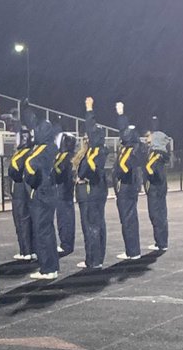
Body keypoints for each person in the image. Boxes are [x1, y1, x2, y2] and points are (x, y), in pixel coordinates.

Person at [24, 115, 60, 280]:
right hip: (49, 191)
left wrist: (30, 182)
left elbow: (31, 167)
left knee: (42, 231)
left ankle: (47, 268)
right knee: (48, 231)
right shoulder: (51, 146)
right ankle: (52, 266)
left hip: (41, 192)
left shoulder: (42, 149)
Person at [76, 97, 109, 270]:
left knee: (91, 226)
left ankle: (93, 260)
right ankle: (98, 258)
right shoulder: (100, 150)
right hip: (99, 191)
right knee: (98, 225)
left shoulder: (95, 151)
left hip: (91, 192)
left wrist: (89, 109)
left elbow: (89, 169)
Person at [114, 102, 145, 260]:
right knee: (129, 219)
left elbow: (123, 170)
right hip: (129, 187)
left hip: (127, 188)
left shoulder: (130, 152)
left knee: (128, 220)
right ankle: (132, 250)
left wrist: (121, 115)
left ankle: (132, 251)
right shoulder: (134, 149)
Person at [7, 124, 35, 261]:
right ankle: (31, 249)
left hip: (20, 190)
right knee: (29, 220)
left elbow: (13, 170)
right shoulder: (33, 151)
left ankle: (26, 251)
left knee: (21, 220)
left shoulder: (22, 154)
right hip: (28, 190)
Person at [144, 116, 170, 253]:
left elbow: (155, 174)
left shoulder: (156, 154)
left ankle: (161, 243)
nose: (147, 138)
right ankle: (161, 242)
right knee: (159, 215)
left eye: (149, 136)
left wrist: (149, 174)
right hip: (158, 188)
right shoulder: (157, 153)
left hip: (156, 189)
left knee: (157, 215)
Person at [54, 131, 77, 255]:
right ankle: (67, 243)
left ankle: (66, 244)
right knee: (66, 218)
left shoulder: (64, 156)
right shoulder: (71, 155)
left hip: (62, 191)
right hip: (66, 191)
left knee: (64, 219)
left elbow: (57, 171)